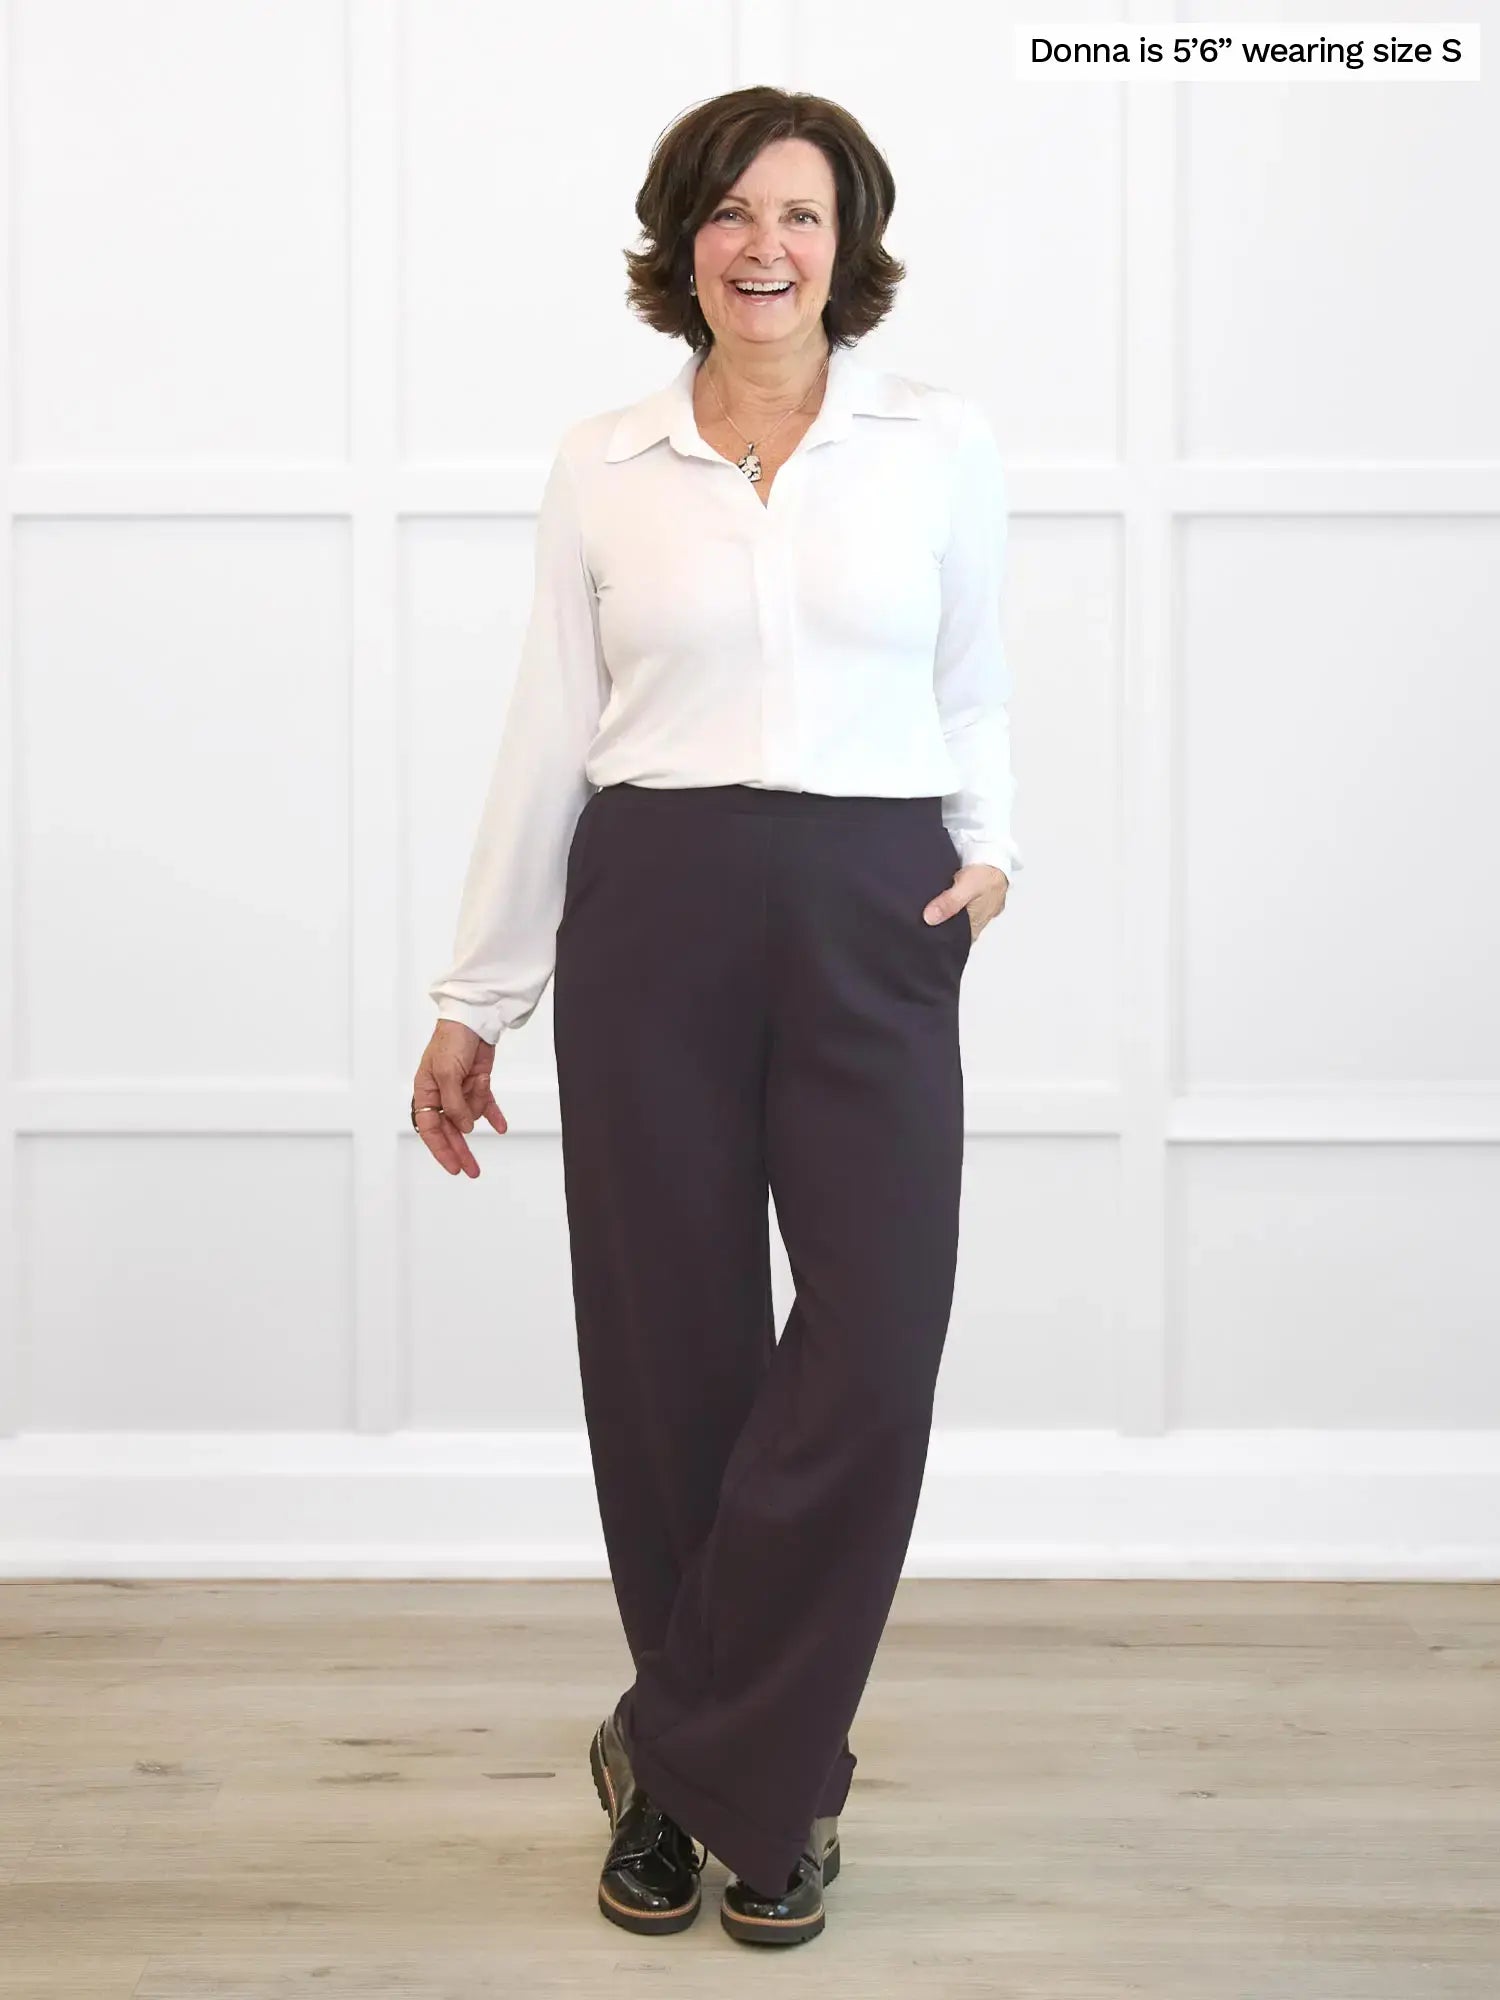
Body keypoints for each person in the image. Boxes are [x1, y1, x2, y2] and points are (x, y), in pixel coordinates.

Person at [412, 86, 1023, 1948]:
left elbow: (972, 675)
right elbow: (545, 734)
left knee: (872, 1339)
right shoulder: (604, 462)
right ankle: (745, 1808)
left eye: (805, 216)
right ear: (686, 243)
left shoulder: (938, 444)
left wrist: (989, 849)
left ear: (852, 246)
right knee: (670, 1345)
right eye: (735, 214)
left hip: (872, 911)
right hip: (656, 914)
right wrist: (475, 999)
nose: (770, 246)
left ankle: (687, 1751)